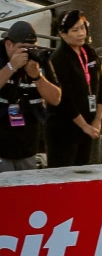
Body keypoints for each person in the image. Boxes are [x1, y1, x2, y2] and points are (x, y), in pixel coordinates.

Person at [46, 7, 102, 167]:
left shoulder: (89, 51)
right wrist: (84, 126)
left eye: (82, 27)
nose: (81, 33)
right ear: (62, 33)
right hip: (65, 129)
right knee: (63, 175)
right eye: (75, 30)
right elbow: (64, 99)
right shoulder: (59, 59)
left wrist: (97, 120)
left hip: (89, 125)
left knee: (83, 171)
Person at [1, 22, 61, 170]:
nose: (27, 53)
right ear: (8, 44)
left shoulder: (39, 59)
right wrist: (11, 67)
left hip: (28, 143)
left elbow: (55, 98)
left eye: (31, 48)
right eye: (22, 48)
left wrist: (37, 77)